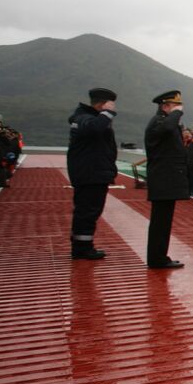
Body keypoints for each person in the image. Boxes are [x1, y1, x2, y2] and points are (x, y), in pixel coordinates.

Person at [66, 87, 119, 260]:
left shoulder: (88, 118)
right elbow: (95, 129)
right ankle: (82, 248)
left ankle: (83, 244)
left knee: (90, 211)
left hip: (94, 172)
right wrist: (107, 113)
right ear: (102, 104)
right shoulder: (83, 119)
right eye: (111, 105)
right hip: (90, 173)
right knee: (87, 211)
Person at [143, 89, 190, 269]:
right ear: (165, 106)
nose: (179, 110)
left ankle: (159, 256)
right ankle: (157, 258)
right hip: (163, 179)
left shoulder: (163, 123)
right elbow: (168, 127)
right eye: (175, 106)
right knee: (160, 222)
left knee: (162, 222)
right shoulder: (159, 122)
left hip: (166, 180)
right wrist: (177, 113)